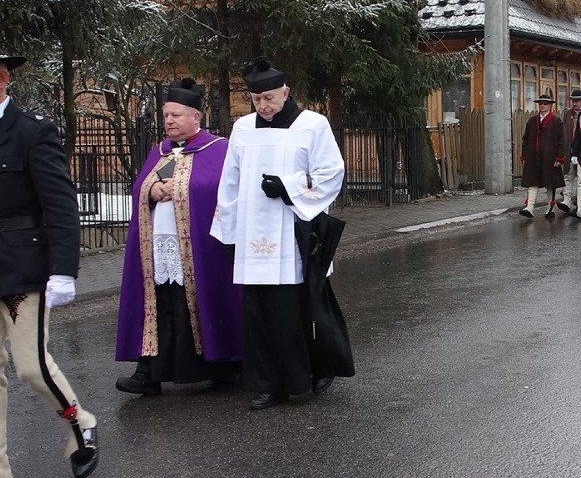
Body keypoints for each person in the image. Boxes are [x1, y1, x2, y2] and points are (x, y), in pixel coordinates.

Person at [212, 57, 352, 410]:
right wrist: (228, 234)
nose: (264, 106)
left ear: (286, 92)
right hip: (251, 236)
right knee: (257, 314)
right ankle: (266, 384)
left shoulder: (312, 125)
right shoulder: (243, 129)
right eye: (257, 100)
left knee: (295, 311)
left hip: (294, 232)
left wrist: (289, 189)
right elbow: (230, 182)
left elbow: (331, 172)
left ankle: (303, 377)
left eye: (270, 98)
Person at [0, 53, 98, 478]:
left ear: (2, 79)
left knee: (30, 367)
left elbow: (59, 204)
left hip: (22, 265)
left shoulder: (31, 131)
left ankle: (79, 423)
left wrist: (64, 268)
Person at [115, 78, 242, 395]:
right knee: (159, 303)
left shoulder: (218, 149)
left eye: (175, 115)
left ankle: (221, 366)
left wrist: (182, 189)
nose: (168, 121)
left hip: (199, 248)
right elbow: (139, 187)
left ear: (195, 117)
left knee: (203, 302)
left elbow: (220, 189)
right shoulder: (159, 151)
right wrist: (150, 189)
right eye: (166, 115)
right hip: (158, 247)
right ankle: (149, 373)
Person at [519, 94, 567, 218]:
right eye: (540, 103)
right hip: (533, 157)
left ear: (550, 105)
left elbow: (562, 141)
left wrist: (559, 157)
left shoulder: (557, 121)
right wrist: (524, 155)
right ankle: (529, 207)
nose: (542, 106)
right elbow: (526, 139)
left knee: (550, 183)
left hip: (550, 158)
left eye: (545, 103)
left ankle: (550, 208)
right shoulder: (532, 121)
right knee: (532, 182)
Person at [557, 89, 581, 218]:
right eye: (573, 101)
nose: (575, 103)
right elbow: (563, 132)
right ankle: (566, 200)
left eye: (577, 101)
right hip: (569, 149)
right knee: (568, 176)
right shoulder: (567, 114)